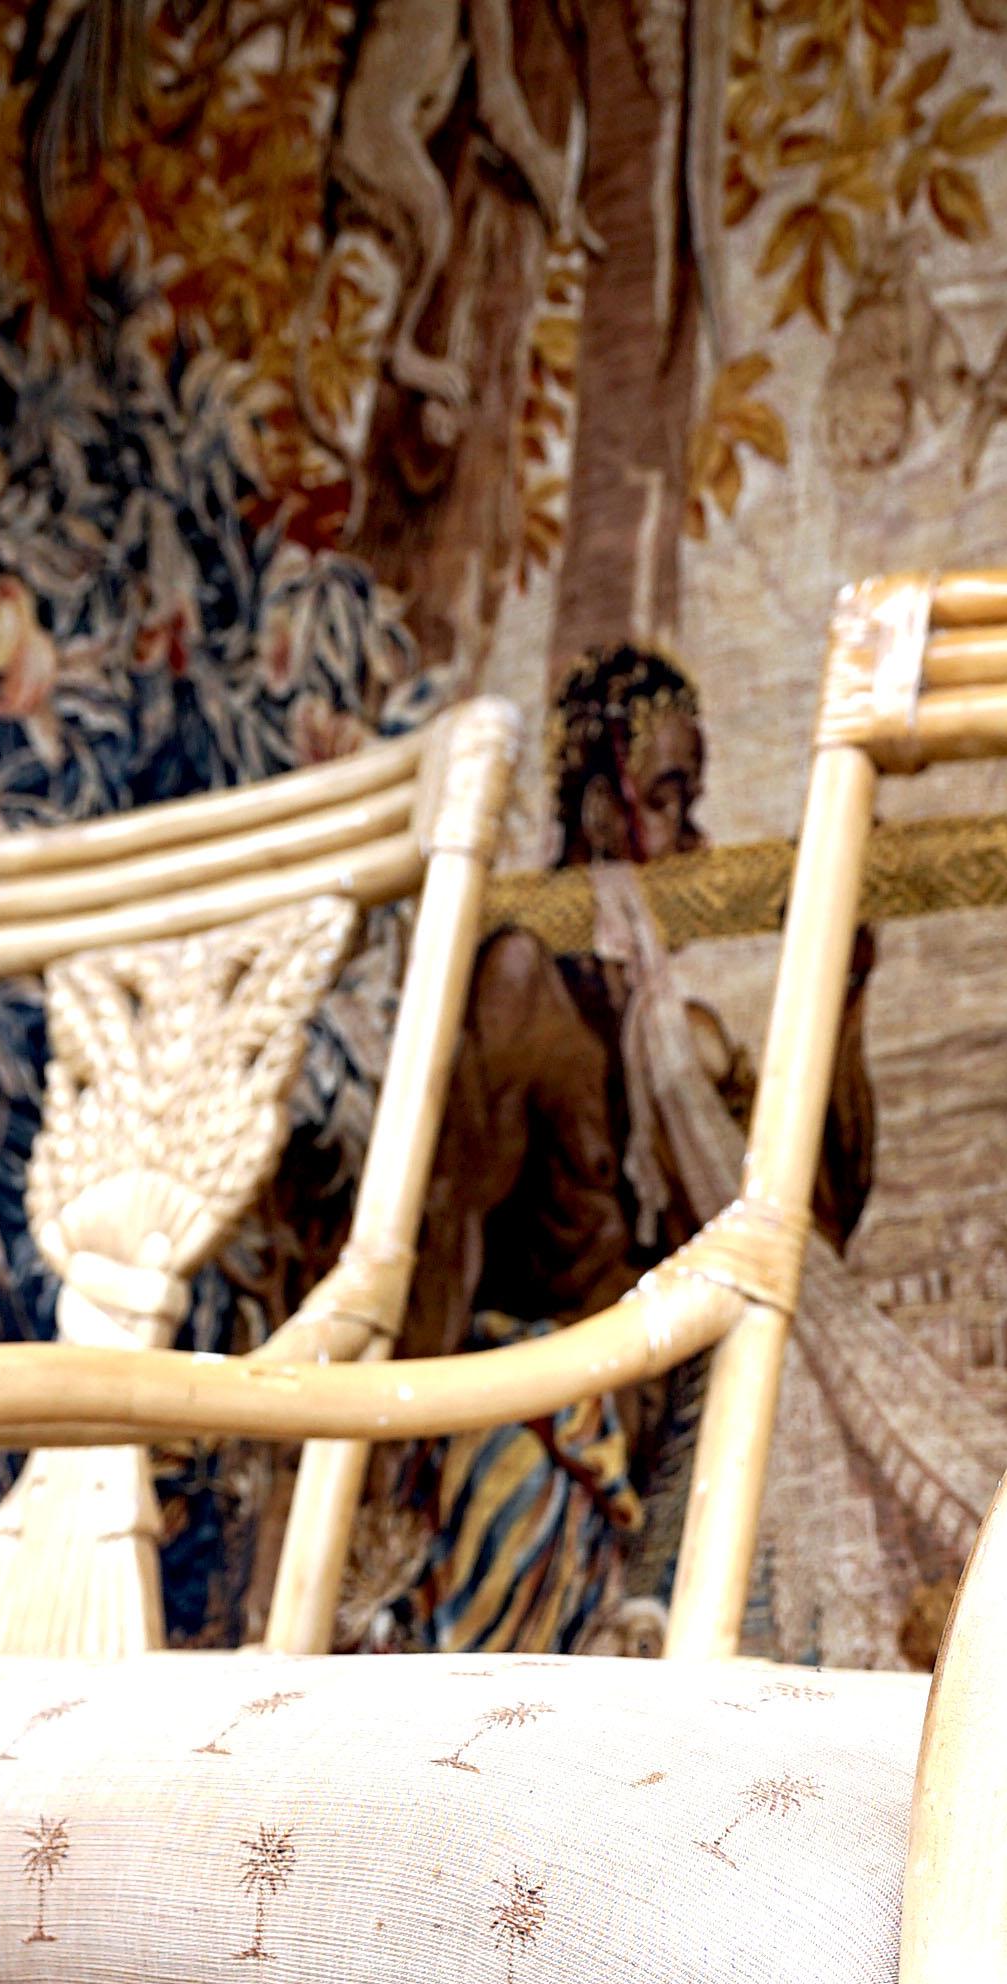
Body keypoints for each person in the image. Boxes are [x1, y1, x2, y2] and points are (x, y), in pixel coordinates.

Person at [357, 642, 874, 1654]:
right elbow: (445, 1234)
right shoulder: (521, 985)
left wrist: (844, 996)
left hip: (647, 1458)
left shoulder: (671, 1047)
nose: (691, 837)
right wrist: (386, 1478)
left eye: (690, 800)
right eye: (666, 797)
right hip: (524, 1433)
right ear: (599, 804)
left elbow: (816, 1233)